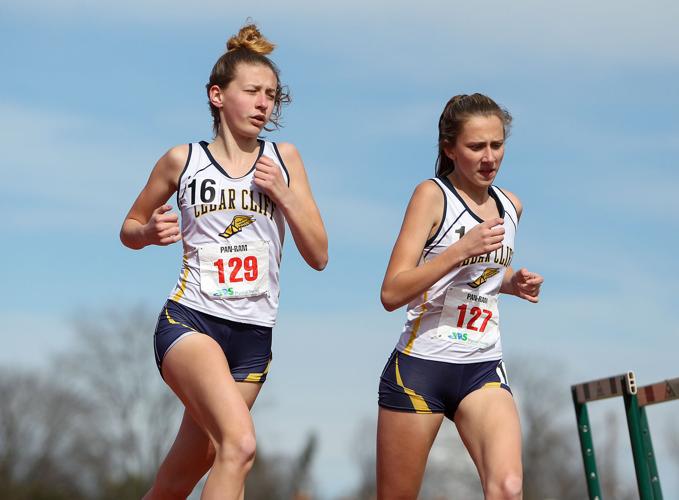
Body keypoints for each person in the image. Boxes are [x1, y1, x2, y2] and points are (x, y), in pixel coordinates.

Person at [120, 23, 327, 500]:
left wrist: (285, 196)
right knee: (240, 444)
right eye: (252, 91)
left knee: (178, 479)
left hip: (253, 338)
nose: (263, 104)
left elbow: (319, 254)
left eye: (271, 95)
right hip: (191, 322)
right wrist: (149, 232)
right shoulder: (182, 160)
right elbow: (129, 226)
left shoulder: (284, 159)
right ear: (217, 95)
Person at [377, 93, 543, 499]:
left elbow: (476, 279)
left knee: (508, 487)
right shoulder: (431, 196)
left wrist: (508, 282)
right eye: (476, 147)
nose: (489, 157)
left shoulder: (511, 206)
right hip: (420, 370)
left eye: (497, 145)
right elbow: (392, 291)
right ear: (449, 148)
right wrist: (459, 251)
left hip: (482, 367)